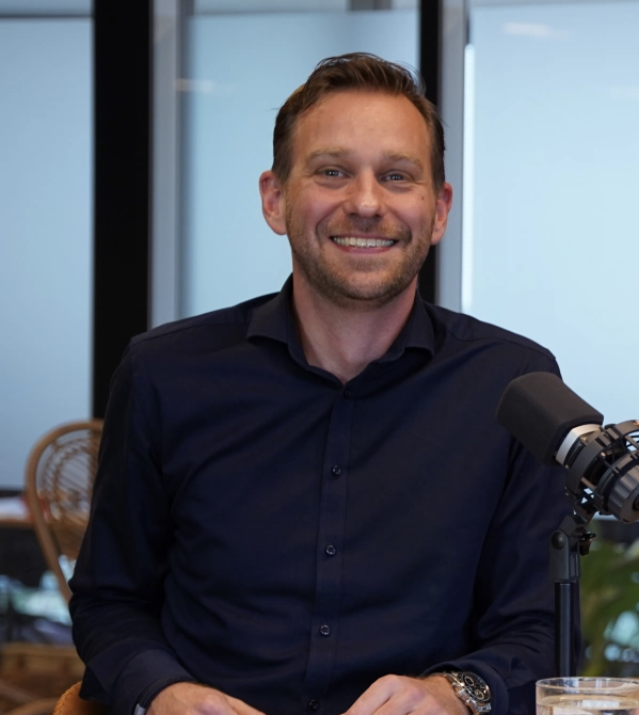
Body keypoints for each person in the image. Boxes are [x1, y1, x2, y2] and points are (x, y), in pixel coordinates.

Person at [70, 53, 572, 715]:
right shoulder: (164, 373)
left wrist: (455, 693)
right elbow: (109, 600)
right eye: (332, 171)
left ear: (438, 210)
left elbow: (539, 628)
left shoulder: (513, 385)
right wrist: (163, 692)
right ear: (274, 199)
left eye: (396, 176)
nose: (365, 203)